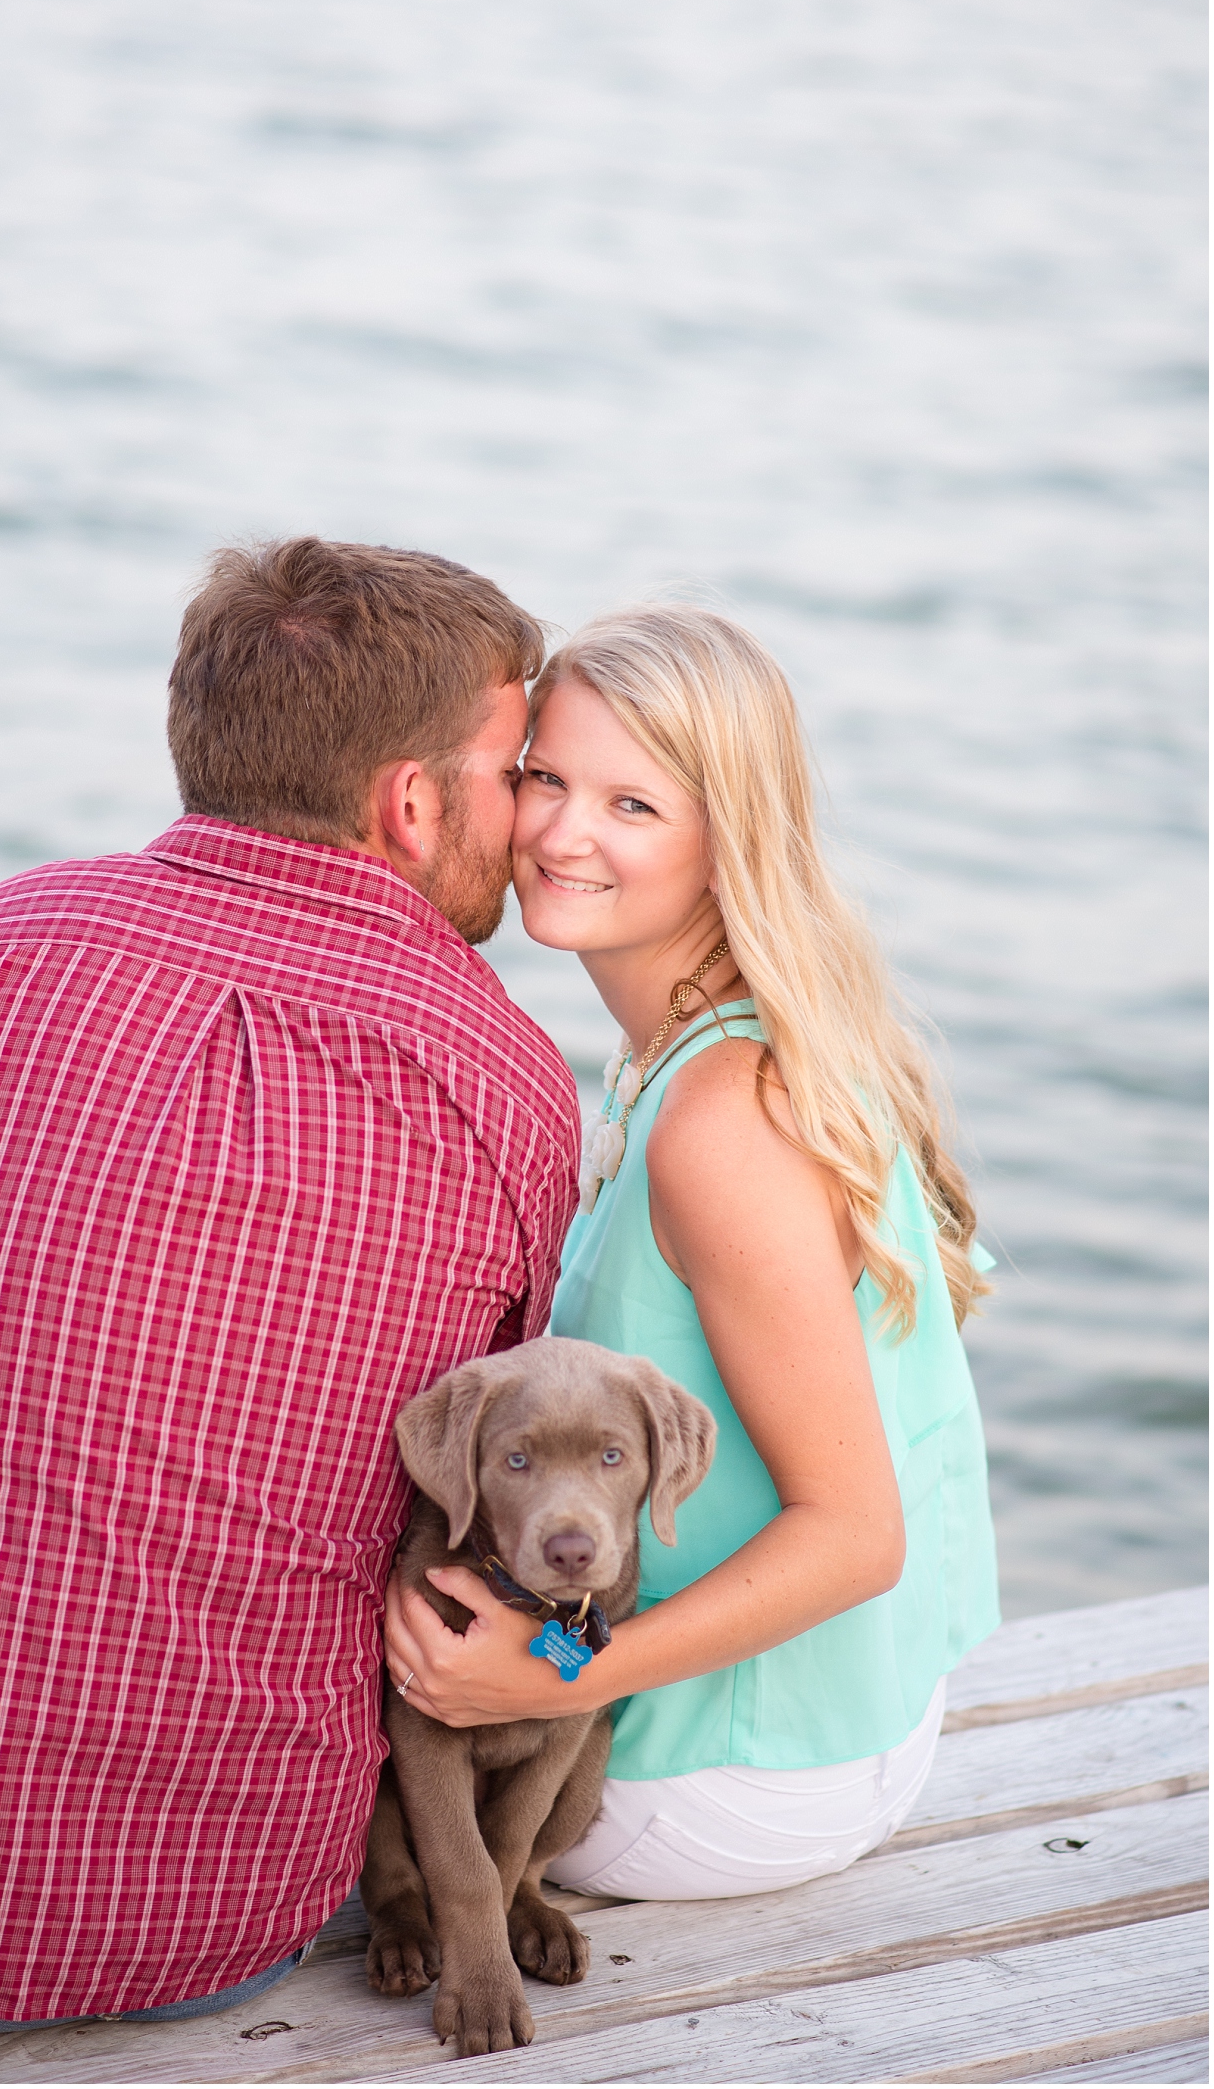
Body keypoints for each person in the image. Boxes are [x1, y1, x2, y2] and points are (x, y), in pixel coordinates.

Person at [0, 538, 582, 2033]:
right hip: (245, 1902)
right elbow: (452, 1511)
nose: (531, 817)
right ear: (411, 801)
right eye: (518, 769)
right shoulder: (512, 1085)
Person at [386, 602, 1000, 1898]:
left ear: (729, 840)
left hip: (727, 1775)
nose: (562, 832)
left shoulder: (722, 1123)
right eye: (545, 778)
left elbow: (858, 1538)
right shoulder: (711, 1048)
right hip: (837, 1722)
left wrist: (551, 1670)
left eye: (633, 805)